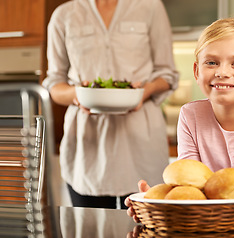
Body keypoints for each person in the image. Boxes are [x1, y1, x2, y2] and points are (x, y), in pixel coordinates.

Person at [126, 17, 234, 229]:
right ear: (196, 71)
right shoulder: (190, 115)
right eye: (211, 62)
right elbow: (189, 185)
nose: (222, 72)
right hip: (214, 227)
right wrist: (158, 203)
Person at [43, 0, 179, 209]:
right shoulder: (64, 15)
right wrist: (78, 95)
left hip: (141, 144)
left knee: (144, 229)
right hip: (86, 147)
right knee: (89, 230)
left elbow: (167, 74)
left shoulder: (150, 7)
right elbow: (54, 84)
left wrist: (143, 92)